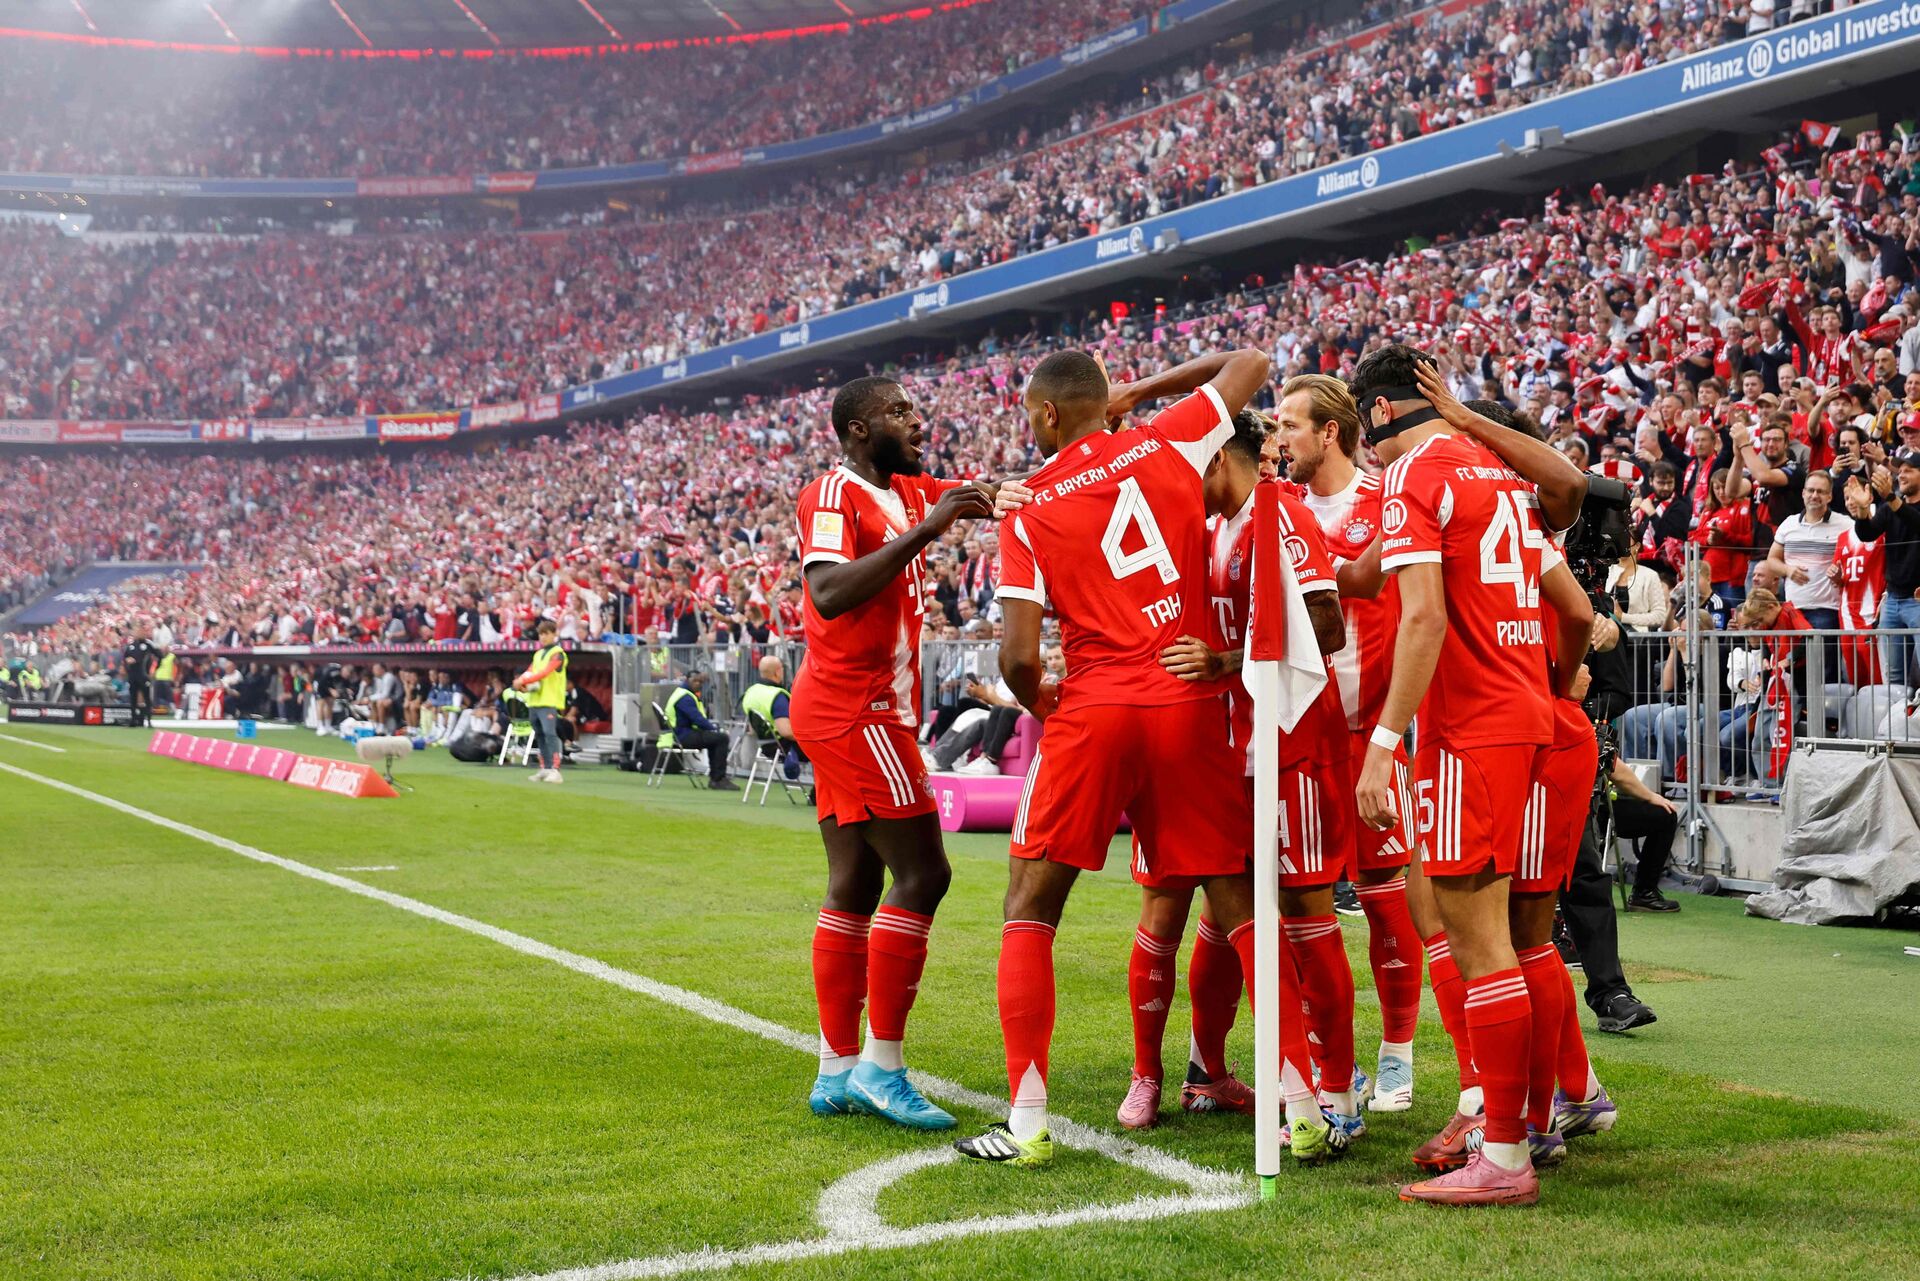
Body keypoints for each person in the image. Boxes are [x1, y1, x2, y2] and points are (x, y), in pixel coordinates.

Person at [952, 345, 1273, 1170]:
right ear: (1107, 398)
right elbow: (1251, 359)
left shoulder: (1026, 504)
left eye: (1030, 416)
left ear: (1049, 414)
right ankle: (1300, 1101)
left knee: (1030, 902)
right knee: (1235, 901)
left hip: (1097, 705)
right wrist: (1145, 389)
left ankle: (1026, 1121)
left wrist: (1051, 708)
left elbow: (1019, 660)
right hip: (1189, 696)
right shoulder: (1171, 439)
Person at [1352, 344, 1591, 1207]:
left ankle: (1505, 1155)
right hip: (1533, 722)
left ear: (1379, 416)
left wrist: (1382, 743)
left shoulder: (1408, 476)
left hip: (1467, 733)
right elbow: (1571, 597)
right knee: (1523, 940)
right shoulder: (1491, 470)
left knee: (1476, 938)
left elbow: (1423, 618)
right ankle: (1530, 1122)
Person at [1138, 407, 1351, 1152]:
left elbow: (1327, 626)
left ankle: (1335, 1090)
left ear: (1217, 461)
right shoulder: (1206, 526)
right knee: (1219, 915)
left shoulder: (1279, 514)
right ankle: (1205, 1066)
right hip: (1220, 749)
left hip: (1287, 743)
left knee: (1303, 907)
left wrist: (1226, 663)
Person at [791, 374, 999, 1131]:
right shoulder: (832, 494)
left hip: (860, 707)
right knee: (925, 871)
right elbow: (829, 592)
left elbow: (994, 493)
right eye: (899, 412)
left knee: (853, 882)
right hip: (859, 708)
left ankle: (836, 1068)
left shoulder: (912, 490)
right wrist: (929, 529)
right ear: (856, 430)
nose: (918, 421)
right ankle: (883, 1065)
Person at [1278, 372, 1429, 1115]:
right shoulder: (1278, 508)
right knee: (1300, 902)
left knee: (1383, 896)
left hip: (1376, 731)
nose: (1278, 442)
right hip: (1302, 733)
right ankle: (1321, 1055)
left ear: (1327, 432)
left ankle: (1397, 1055)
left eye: (1289, 426)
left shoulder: (1385, 500)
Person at [512, 621, 569, 783]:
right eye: (541, 634)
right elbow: (530, 671)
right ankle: (546, 767)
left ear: (554, 634)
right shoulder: (538, 654)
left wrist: (522, 681)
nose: (543, 637)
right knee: (540, 735)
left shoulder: (559, 653)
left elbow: (545, 672)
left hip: (549, 701)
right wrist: (520, 681)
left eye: (546, 633)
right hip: (535, 700)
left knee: (550, 734)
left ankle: (556, 770)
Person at [662, 670, 733, 789]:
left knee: (714, 740)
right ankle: (718, 779)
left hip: (678, 734)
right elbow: (697, 719)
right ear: (686, 680)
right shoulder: (685, 697)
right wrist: (715, 729)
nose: (698, 684)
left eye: (700, 681)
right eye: (694, 681)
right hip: (683, 736)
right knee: (722, 738)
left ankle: (716, 778)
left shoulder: (681, 693)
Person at [740, 654, 801, 781]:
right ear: (777, 672)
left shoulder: (751, 692)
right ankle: (816, 795)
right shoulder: (777, 696)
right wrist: (810, 737)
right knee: (824, 751)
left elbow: (751, 729)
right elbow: (786, 732)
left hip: (764, 745)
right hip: (784, 747)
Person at [121, 628, 159, 727]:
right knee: (133, 699)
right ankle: (133, 720)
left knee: (147, 699)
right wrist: (127, 663)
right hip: (133, 676)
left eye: (141, 631)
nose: (139, 633)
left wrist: (154, 670)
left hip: (144, 676)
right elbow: (124, 659)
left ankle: (149, 721)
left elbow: (159, 656)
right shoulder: (130, 646)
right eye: (137, 632)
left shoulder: (148, 645)